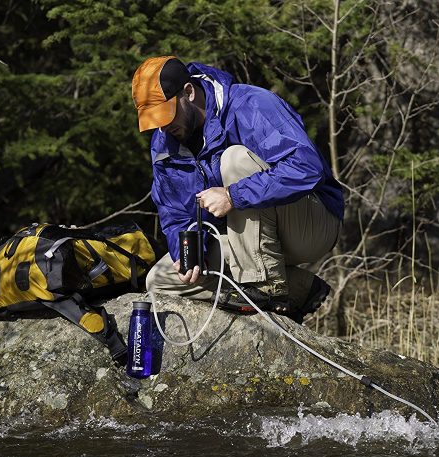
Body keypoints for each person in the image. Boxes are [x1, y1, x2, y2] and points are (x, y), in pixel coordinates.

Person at [131, 56, 343, 322]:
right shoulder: (164, 143)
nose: (163, 125)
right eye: (154, 119)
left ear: (189, 92)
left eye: (166, 113)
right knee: (160, 281)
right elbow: (174, 213)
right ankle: (300, 289)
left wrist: (233, 196)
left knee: (235, 160)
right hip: (247, 241)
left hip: (310, 226)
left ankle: (267, 289)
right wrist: (188, 253)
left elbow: (307, 168)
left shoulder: (251, 104)